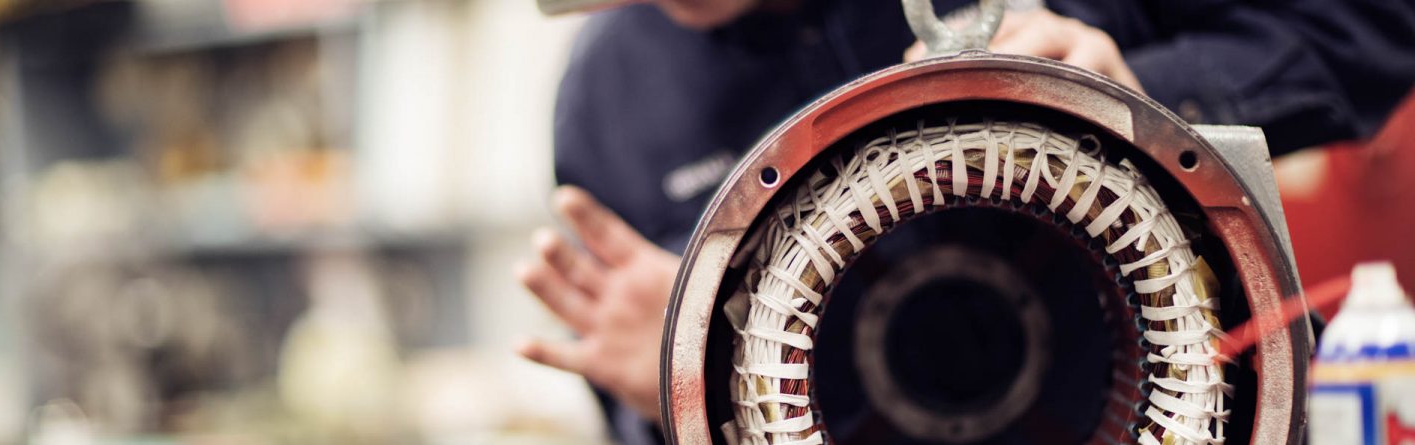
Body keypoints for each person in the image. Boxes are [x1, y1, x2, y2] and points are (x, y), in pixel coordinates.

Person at [514, 0, 1415, 443]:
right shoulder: (608, 97)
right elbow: (631, 385)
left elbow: (1367, 25)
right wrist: (676, 380)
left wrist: (1151, 105)